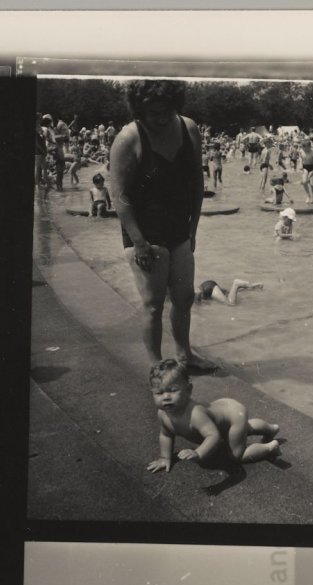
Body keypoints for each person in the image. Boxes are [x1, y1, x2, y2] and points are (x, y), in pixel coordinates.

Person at [106, 80, 214, 373]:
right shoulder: (128, 139)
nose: (162, 119)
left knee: (184, 298)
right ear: (139, 110)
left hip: (179, 227)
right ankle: (156, 367)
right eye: (153, 113)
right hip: (144, 232)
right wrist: (139, 242)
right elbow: (119, 197)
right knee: (153, 304)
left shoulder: (189, 128)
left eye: (167, 111)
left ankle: (185, 356)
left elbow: (197, 182)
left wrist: (193, 229)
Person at [145, 359, 282, 472]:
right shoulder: (162, 414)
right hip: (225, 409)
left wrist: (199, 453)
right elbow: (166, 435)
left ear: (188, 390)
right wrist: (165, 457)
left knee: (235, 456)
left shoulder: (195, 414)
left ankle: (269, 448)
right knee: (246, 428)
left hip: (234, 416)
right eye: (159, 393)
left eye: (173, 390)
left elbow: (213, 436)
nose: (166, 397)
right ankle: (270, 428)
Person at [194, 276, 262, 307]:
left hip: (208, 289)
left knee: (230, 303)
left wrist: (199, 305)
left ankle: (236, 284)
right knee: (230, 293)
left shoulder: (191, 300)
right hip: (207, 284)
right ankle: (254, 286)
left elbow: (198, 294)